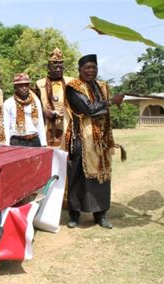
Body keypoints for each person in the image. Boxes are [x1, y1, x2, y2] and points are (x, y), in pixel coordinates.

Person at [63, 54, 124, 229]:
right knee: (78, 176)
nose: (91, 71)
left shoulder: (102, 86)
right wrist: (110, 102)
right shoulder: (73, 87)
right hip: (81, 138)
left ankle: (101, 214)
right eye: (87, 68)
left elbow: (101, 111)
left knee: (102, 177)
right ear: (80, 70)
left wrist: (104, 106)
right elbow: (88, 110)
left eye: (94, 68)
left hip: (102, 139)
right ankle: (74, 215)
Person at [35, 48, 73, 147]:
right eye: (55, 67)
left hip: (66, 124)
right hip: (46, 125)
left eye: (61, 67)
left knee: (65, 155)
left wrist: (66, 111)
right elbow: (34, 106)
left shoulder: (71, 82)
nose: (58, 70)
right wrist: (43, 111)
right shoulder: (39, 84)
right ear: (48, 67)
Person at [3, 73, 47, 147]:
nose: (24, 88)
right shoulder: (8, 103)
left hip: (34, 140)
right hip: (17, 141)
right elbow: (6, 126)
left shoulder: (36, 101)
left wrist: (43, 143)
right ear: (15, 87)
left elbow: (40, 123)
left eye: (26, 85)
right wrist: (6, 145)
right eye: (20, 85)